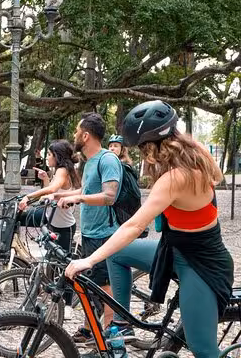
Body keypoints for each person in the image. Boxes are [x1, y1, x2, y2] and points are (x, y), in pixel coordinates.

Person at [65, 101, 233, 358]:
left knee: (203, 349)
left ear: (153, 145)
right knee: (117, 253)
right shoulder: (192, 152)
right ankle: (122, 324)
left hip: (202, 263)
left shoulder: (176, 178)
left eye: (142, 149)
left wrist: (89, 259)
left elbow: (134, 225)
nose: (143, 156)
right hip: (173, 248)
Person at [56, 112, 123, 338]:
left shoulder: (108, 159)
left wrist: (79, 198)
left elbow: (109, 196)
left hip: (105, 233)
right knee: (89, 282)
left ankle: (110, 334)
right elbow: (86, 191)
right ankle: (88, 328)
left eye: (76, 131)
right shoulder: (90, 162)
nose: (74, 135)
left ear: (85, 136)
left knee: (104, 286)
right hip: (89, 233)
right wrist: (59, 195)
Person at [17, 140, 80, 254]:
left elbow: (52, 190)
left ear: (57, 156)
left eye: (50, 154)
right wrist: (46, 179)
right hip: (50, 218)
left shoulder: (63, 170)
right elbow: (50, 194)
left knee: (59, 265)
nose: (47, 157)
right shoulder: (59, 171)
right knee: (18, 217)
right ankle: (15, 250)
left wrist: (28, 197)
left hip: (64, 227)